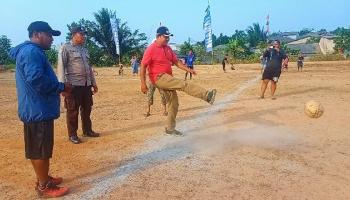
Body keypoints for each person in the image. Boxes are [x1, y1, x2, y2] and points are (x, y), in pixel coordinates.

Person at [9, 21, 70, 197]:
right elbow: (36, 80)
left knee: (39, 148)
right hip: (38, 110)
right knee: (40, 150)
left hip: (36, 109)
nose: (52, 39)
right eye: (49, 35)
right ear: (37, 34)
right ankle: (44, 186)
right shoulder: (31, 52)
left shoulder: (31, 51)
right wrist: (61, 87)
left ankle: (43, 177)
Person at [140, 26, 217, 135]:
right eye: (165, 37)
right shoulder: (151, 49)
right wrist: (143, 83)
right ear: (158, 36)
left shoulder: (168, 48)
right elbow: (143, 66)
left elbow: (177, 62)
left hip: (167, 78)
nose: (167, 39)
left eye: (168, 37)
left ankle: (170, 128)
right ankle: (207, 95)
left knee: (174, 103)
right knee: (183, 84)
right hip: (158, 77)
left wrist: (188, 69)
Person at [57, 26, 100, 144]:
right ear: (74, 34)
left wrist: (93, 83)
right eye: (81, 34)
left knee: (87, 109)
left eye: (84, 34)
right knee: (73, 111)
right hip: (73, 85)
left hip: (86, 85)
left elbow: (89, 68)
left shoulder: (84, 50)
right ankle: (72, 134)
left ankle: (87, 130)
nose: (83, 36)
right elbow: (61, 67)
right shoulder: (65, 48)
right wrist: (62, 86)